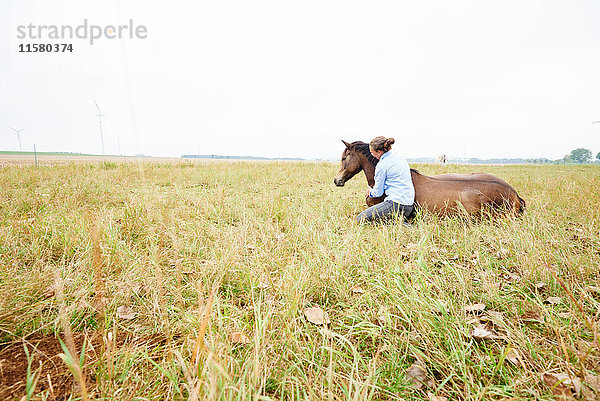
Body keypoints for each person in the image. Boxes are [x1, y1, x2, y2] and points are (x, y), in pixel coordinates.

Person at [356, 136, 415, 224]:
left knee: (360, 218)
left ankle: (402, 225)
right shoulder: (400, 158)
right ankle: (398, 221)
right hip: (409, 205)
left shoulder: (382, 166)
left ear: (379, 152)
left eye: (372, 152)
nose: (372, 155)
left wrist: (370, 192)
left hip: (395, 204)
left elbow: (378, 193)